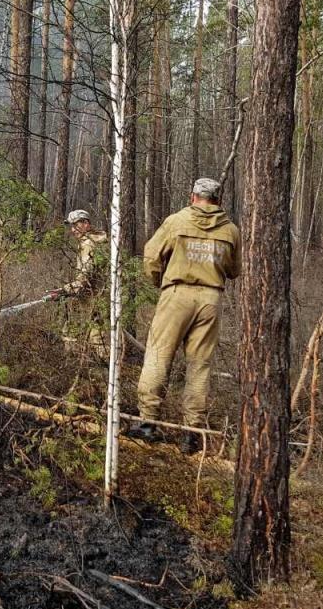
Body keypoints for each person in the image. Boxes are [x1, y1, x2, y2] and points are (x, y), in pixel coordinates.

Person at [133, 178, 240, 453]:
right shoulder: (230, 230)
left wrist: (161, 283)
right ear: (217, 200)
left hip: (177, 293)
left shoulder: (176, 221)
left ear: (193, 197)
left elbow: (150, 255)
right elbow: (233, 270)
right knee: (200, 365)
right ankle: (192, 433)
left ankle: (147, 423)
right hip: (211, 299)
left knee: (158, 355)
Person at [46, 209, 109, 353]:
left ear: (86, 223)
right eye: (71, 226)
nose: (73, 230)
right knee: (96, 335)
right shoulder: (95, 241)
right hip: (96, 297)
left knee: (81, 334)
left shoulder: (89, 244)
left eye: (76, 225)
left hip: (93, 299)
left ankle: (77, 368)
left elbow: (85, 277)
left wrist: (64, 290)